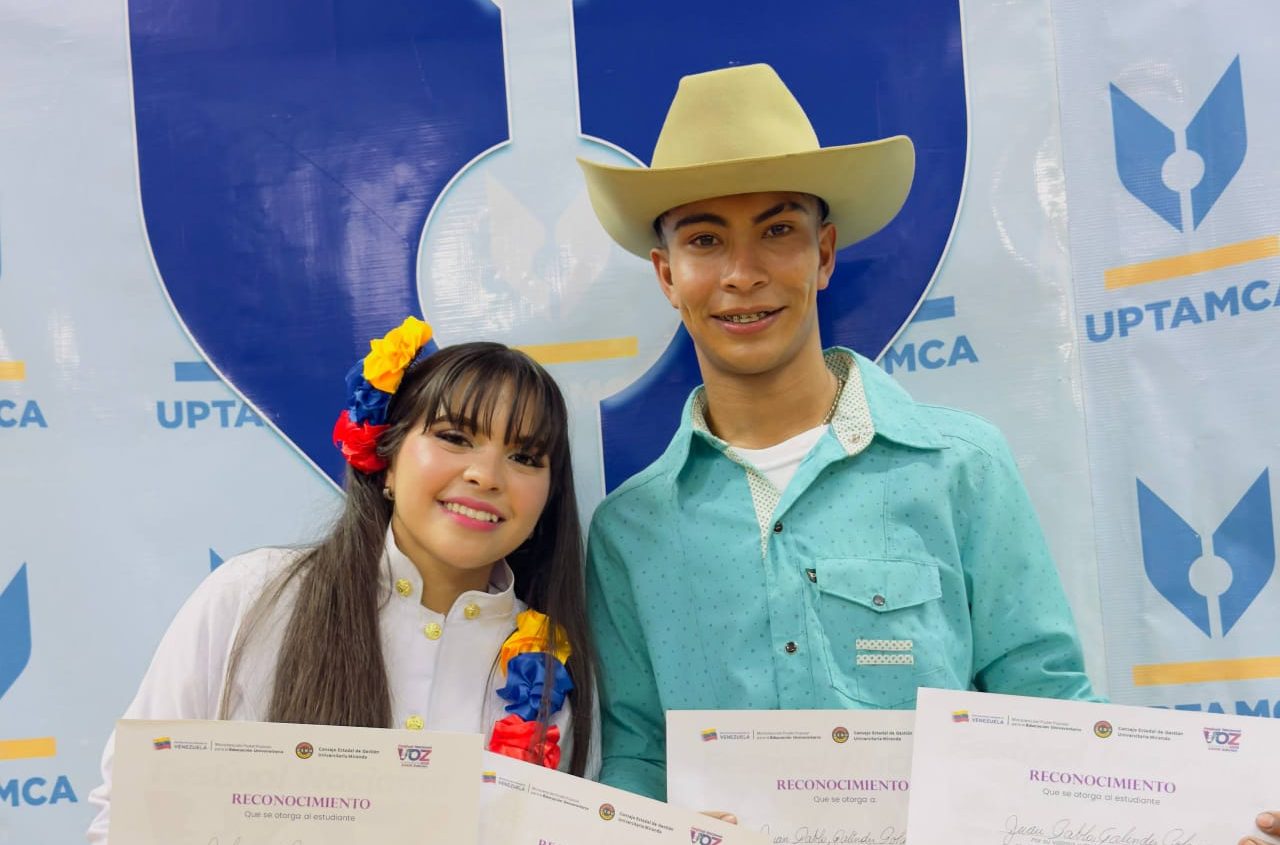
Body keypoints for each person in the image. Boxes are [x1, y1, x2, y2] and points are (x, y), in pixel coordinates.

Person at [578, 62, 1094, 801]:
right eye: (705, 240)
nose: (742, 272)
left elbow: (1045, 708)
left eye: (778, 230)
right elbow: (641, 760)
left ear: (823, 255)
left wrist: (1200, 813)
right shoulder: (631, 531)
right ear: (667, 275)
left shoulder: (960, 467)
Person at [86, 317, 595, 842]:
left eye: (524, 457)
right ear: (388, 461)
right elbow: (128, 811)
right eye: (455, 437)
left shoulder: (553, 671)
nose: (486, 474)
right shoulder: (253, 597)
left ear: (548, 496)